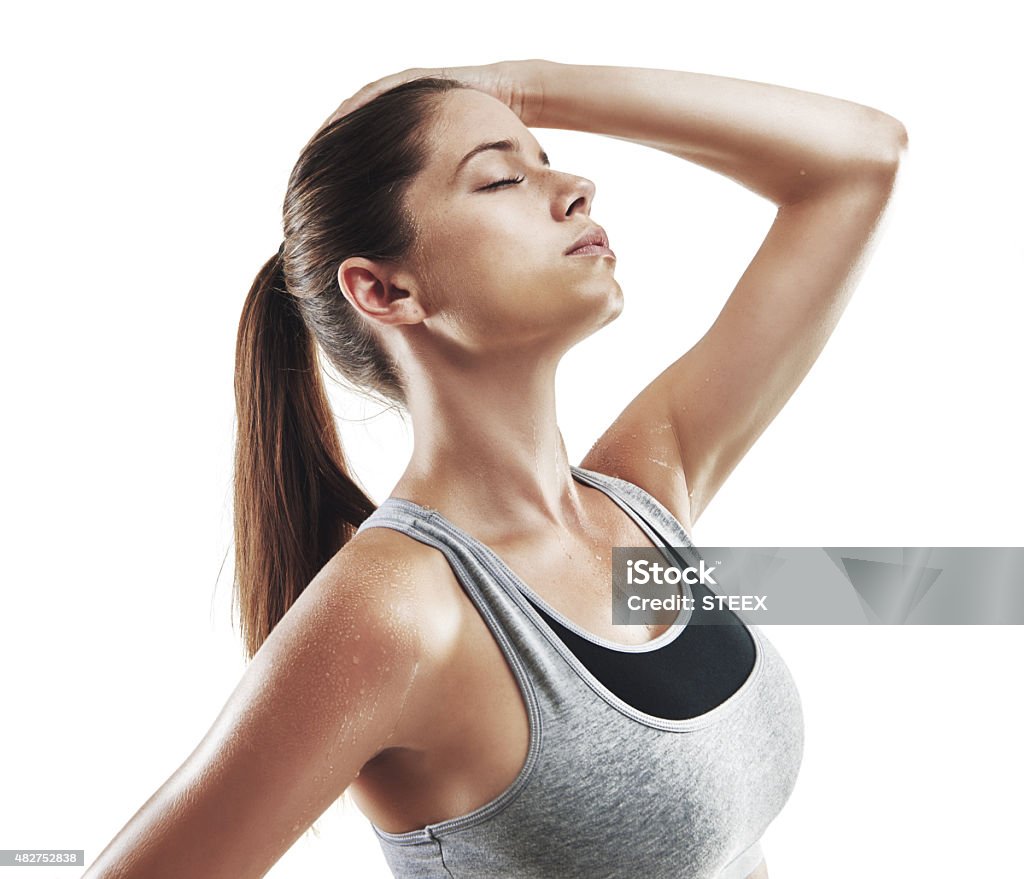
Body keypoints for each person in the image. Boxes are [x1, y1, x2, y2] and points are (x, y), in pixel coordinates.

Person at [83, 59, 907, 878]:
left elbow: (861, 161)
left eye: (548, 160)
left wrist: (520, 90)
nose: (577, 186)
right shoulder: (396, 613)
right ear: (385, 290)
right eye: (503, 178)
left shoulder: (642, 502)